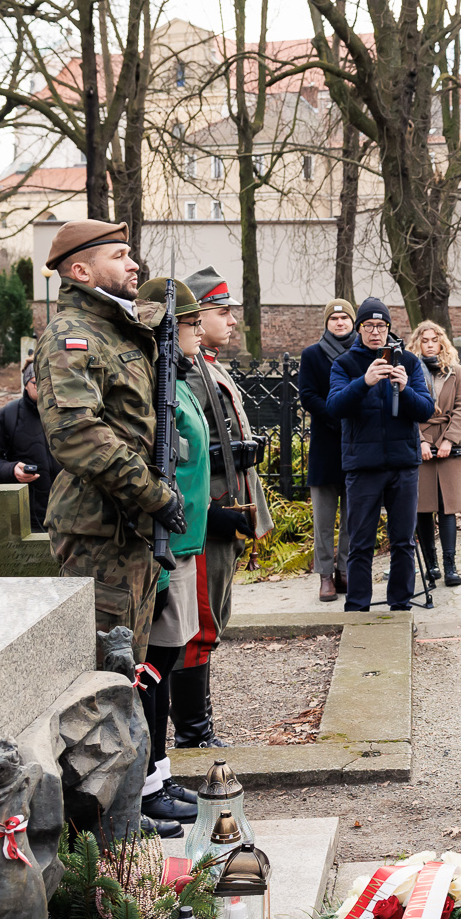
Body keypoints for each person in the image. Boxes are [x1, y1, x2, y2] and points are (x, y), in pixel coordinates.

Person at [34, 221, 183, 655]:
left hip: (131, 525)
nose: (133, 264)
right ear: (81, 272)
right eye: (118, 256)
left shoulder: (116, 329)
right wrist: (154, 494)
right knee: (100, 675)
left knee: (130, 667)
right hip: (99, 531)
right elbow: (77, 433)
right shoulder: (71, 336)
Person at [175, 266, 271, 750]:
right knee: (199, 622)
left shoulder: (209, 367)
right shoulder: (184, 372)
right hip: (202, 514)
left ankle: (199, 727)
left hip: (223, 505)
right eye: (220, 311)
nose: (231, 319)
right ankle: (194, 734)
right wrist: (211, 513)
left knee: (214, 616)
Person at [131, 277, 211, 831]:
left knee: (165, 657)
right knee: (153, 664)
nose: (200, 333)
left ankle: (157, 771)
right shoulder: (161, 382)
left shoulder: (178, 379)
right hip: (166, 542)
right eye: (190, 324)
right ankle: (147, 779)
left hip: (185, 540)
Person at [325, 298, 433, 611]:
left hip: (403, 464)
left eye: (381, 326)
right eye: (369, 326)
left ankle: (401, 603)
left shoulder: (409, 362)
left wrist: (405, 389)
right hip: (363, 467)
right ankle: (358, 606)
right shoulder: (344, 364)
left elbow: (426, 409)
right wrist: (364, 382)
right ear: (359, 329)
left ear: (388, 328)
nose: (376, 332)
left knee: (403, 541)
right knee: (361, 543)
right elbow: (333, 408)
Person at [301, 298, 354, 601]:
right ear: (326, 323)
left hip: (355, 446)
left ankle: (345, 571)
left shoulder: (362, 354)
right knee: (323, 519)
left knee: (352, 517)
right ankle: (325, 576)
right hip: (325, 445)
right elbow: (308, 395)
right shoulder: (313, 355)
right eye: (334, 319)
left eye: (345, 318)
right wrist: (335, 415)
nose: (339, 323)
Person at [413, 320, 461, 587]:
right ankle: (431, 564)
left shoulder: (455, 371)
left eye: (433, 339)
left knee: (448, 507)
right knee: (423, 507)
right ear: (417, 343)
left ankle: (450, 565)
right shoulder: (410, 370)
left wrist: (448, 439)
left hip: (450, 444)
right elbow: (405, 410)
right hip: (422, 442)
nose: (429, 345)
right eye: (424, 340)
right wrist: (421, 442)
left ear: (441, 342)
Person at [0, 363, 54, 531]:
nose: (44, 387)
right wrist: (11, 470)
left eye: (49, 381)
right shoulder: (6, 416)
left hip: (75, 516)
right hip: (29, 518)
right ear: (26, 384)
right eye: (36, 382)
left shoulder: (74, 414)